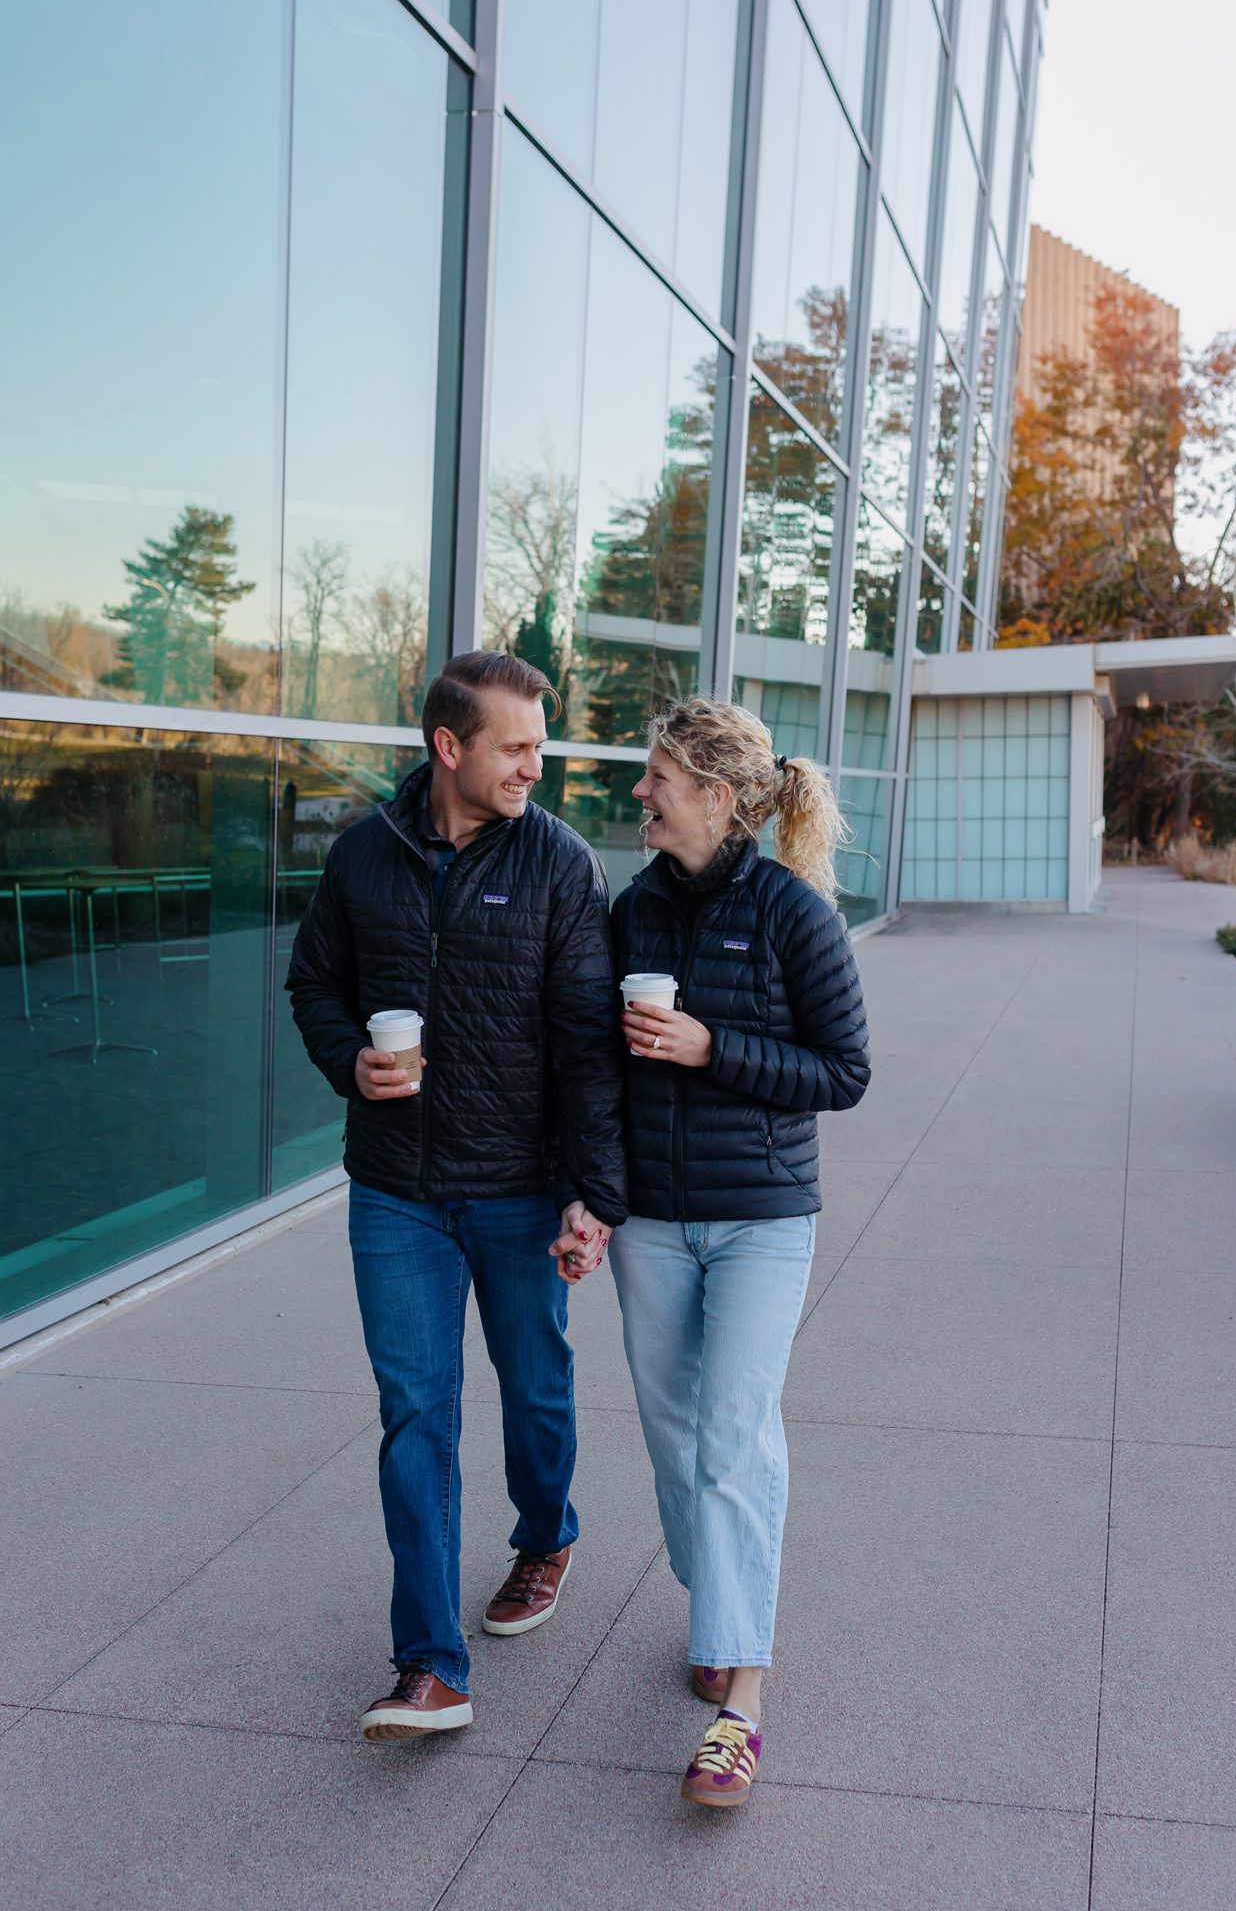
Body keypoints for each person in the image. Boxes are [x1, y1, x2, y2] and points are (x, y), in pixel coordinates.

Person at [286, 650, 626, 1744]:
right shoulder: (360, 858)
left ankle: (546, 1531)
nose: (538, 764)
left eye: (540, 744)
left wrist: (591, 1196)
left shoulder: (562, 866)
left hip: (521, 1189)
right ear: (450, 747)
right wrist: (351, 1061)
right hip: (395, 1192)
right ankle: (431, 1662)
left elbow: (585, 1044)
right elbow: (315, 984)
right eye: (517, 746)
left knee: (534, 1384)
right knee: (415, 1414)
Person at [597, 696, 869, 1809]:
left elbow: (842, 1072)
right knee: (674, 1440)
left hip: (762, 1213)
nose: (640, 792)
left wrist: (714, 1048)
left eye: (658, 774)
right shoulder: (635, 909)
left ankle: (739, 1702)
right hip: (654, 1219)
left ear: (716, 793)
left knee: (733, 1432)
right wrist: (595, 1197)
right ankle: (720, 1604)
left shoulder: (795, 914)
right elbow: (600, 1069)